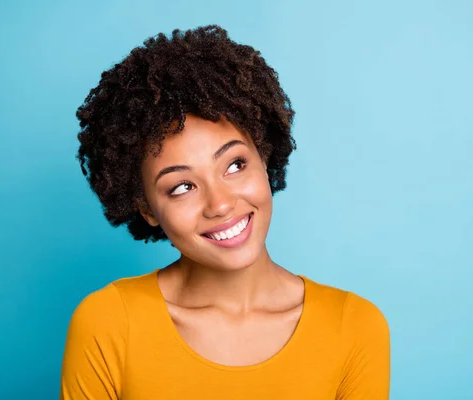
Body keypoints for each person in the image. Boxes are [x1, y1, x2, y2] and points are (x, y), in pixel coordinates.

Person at [60, 24, 390, 399]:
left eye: (234, 165)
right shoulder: (108, 323)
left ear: (263, 156)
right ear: (146, 208)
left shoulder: (354, 326)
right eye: (181, 186)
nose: (219, 204)